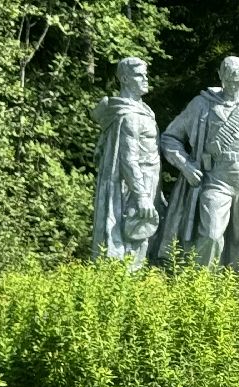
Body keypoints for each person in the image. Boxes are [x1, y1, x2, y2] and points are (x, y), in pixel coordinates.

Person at [156, 55, 239, 271]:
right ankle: (199, 290)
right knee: (211, 234)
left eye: (237, 78)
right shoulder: (202, 105)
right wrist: (186, 165)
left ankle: (238, 298)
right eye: (227, 77)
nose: (232, 83)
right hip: (214, 177)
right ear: (219, 75)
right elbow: (170, 138)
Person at [90, 57, 162, 270]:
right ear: (124, 79)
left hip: (149, 181)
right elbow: (129, 160)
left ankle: (131, 293)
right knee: (131, 241)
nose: (145, 79)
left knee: (142, 242)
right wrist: (141, 197)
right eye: (140, 75)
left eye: (146, 74)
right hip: (132, 187)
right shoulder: (129, 116)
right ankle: (122, 293)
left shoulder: (145, 110)